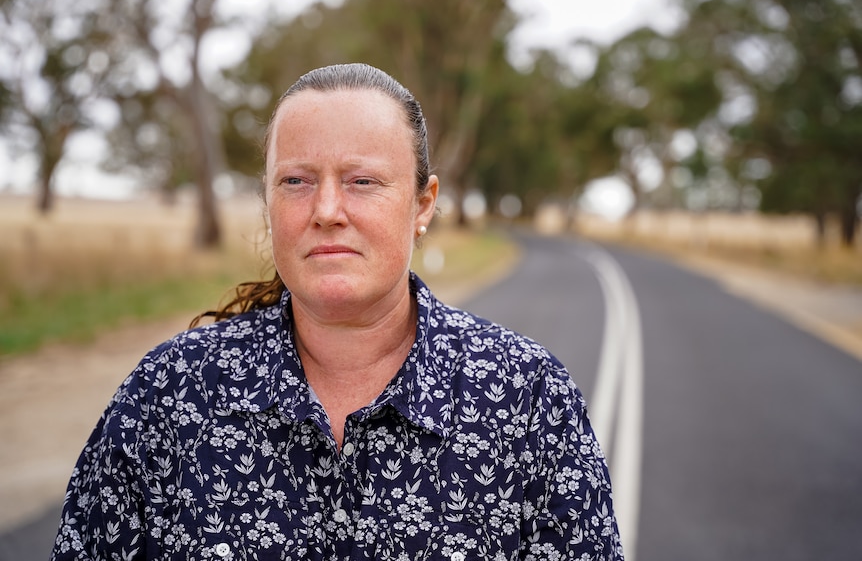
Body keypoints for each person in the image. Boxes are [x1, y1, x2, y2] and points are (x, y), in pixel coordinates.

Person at [51, 63, 624, 560]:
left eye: (362, 181)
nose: (326, 209)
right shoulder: (168, 397)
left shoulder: (527, 400)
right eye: (296, 181)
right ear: (268, 204)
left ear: (422, 204)